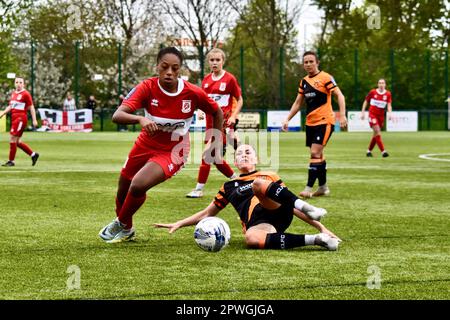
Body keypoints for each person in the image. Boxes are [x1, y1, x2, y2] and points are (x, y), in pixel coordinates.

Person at [98, 47, 224, 243]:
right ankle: (128, 229)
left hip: (174, 149)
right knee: (123, 187)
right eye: (165, 67)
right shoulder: (147, 88)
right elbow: (118, 115)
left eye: (175, 68)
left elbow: (217, 112)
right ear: (157, 66)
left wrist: (215, 141)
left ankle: (120, 223)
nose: (169, 72)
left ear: (180, 70)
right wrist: (140, 119)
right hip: (144, 144)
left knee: (138, 184)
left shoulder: (191, 92)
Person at [155, 144, 341, 251]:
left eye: (248, 152)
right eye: (239, 154)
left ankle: (308, 207)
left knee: (258, 184)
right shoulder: (228, 186)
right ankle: (317, 240)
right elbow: (207, 213)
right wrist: (178, 223)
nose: (243, 155)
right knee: (251, 239)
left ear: (256, 159)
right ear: (235, 162)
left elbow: (289, 203)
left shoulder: (269, 175)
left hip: (278, 209)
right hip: (260, 222)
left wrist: (322, 225)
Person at [282, 51, 347, 199]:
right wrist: (287, 119)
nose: (308, 64)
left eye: (311, 61)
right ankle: (323, 187)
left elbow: (339, 95)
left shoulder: (326, 77)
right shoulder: (303, 81)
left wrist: (342, 115)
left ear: (317, 63)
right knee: (318, 155)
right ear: (303, 64)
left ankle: (308, 188)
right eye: (306, 62)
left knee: (314, 153)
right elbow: (298, 103)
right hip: (310, 123)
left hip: (325, 121)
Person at [186, 48, 244, 198]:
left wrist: (233, 116)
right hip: (209, 123)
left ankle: (199, 189)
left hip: (223, 123)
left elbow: (240, 99)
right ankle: (237, 180)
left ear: (222, 61)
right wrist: (199, 110)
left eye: (218, 60)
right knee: (216, 158)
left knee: (207, 154)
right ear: (208, 62)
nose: (215, 63)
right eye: (212, 60)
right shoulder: (206, 80)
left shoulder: (230, 79)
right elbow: (204, 101)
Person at [0, 77, 39, 167]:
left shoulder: (26, 94)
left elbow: (31, 107)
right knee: (17, 142)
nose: (18, 84)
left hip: (20, 119)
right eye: (17, 82)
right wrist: (3, 113)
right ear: (14, 84)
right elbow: (11, 106)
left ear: (23, 84)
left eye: (20, 82)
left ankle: (11, 161)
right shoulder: (14, 94)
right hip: (14, 119)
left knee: (12, 138)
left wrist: (34, 120)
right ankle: (33, 155)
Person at [360, 79, 392, 157]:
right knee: (377, 131)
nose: (381, 84)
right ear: (377, 84)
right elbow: (366, 101)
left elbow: (389, 104)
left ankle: (368, 151)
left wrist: (390, 113)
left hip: (380, 116)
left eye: (383, 83)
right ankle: (383, 151)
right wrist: (363, 112)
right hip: (372, 115)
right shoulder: (373, 92)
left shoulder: (388, 94)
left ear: (385, 85)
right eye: (380, 83)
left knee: (375, 134)